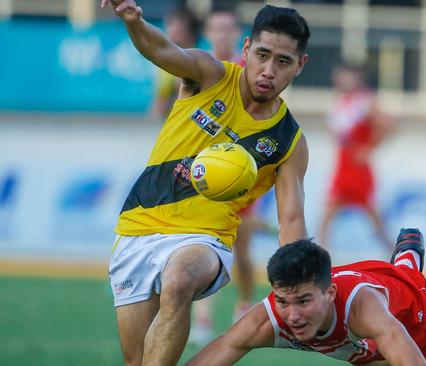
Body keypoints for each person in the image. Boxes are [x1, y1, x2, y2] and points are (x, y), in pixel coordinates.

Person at [100, 1, 311, 365]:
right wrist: (134, 21)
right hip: (138, 228)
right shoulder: (208, 73)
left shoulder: (289, 141)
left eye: (283, 61)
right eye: (262, 54)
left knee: (179, 279)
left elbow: (291, 221)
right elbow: (161, 49)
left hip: (204, 240)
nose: (268, 70)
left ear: (299, 65)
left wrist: (299, 283)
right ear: (246, 48)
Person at [187, 229, 426, 366]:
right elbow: (216, 354)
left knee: (406, 282)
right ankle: (405, 260)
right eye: (283, 301)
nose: (292, 316)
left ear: (330, 294)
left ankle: (407, 263)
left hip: (417, 319)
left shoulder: (362, 309)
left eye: (303, 301)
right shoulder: (269, 319)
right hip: (363, 342)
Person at [187, 6, 244, 346]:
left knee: (245, 246)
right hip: (205, 172)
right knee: (202, 241)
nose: (222, 34)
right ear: (208, 32)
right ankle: (204, 319)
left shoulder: (250, 71)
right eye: (216, 29)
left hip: (241, 173)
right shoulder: (196, 67)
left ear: (238, 34)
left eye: (228, 29)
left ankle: (244, 304)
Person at [319, 63, 394, 253]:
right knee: (328, 214)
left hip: (357, 169)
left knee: (375, 220)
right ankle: (321, 256)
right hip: (343, 166)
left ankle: (396, 255)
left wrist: (368, 148)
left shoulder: (364, 101)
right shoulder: (340, 101)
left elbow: (388, 125)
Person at [150, 6, 201, 119]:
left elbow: (160, 106)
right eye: (168, 24)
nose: (168, 30)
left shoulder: (202, 63)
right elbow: (158, 106)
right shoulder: (166, 62)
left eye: (173, 24)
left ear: (187, 31)